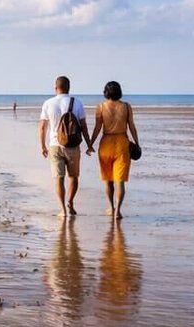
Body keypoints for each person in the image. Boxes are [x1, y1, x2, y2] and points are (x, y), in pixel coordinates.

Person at [85, 80, 140, 220]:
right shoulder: (127, 107)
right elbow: (132, 126)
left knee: (108, 180)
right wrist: (137, 143)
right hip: (122, 143)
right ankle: (118, 211)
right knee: (120, 181)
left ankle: (111, 206)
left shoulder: (101, 107)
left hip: (106, 144)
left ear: (106, 92)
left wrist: (90, 143)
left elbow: (97, 128)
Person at [39, 75, 90, 218]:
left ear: (55, 87)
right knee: (73, 177)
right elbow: (84, 126)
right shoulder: (77, 103)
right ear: (69, 88)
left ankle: (62, 209)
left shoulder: (48, 103)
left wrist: (42, 145)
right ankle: (70, 202)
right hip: (73, 146)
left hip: (55, 145)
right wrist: (89, 144)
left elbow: (43, 127)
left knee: (58, 178)